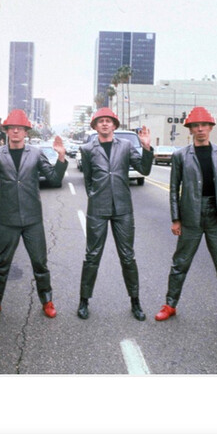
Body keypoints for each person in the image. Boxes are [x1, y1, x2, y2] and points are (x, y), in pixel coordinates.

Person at [155, 106, 217, 328]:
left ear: (211, 127)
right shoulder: (181, 156)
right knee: (180, 264)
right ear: (190, 129)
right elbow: (174, 190)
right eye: (196, 126)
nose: (200, 129)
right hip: (190, 215)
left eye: (204, 125)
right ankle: (170, 305)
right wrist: (176, 219)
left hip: (215, 216)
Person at [0, 110, 68, 320]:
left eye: (20, 128)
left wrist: (61, 157)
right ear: (7, 131)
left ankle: (47, 301)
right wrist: (1, 205)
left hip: (32, 219)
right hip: (8, 220)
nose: (16, 131)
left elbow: (54, 179)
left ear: (26, 132)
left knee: (40, 263)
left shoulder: (36, 154)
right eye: (12, 128)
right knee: (2, 263)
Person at [77, 108, 153, 321]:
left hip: (123, 208)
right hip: (98, 209)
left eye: (108, 121)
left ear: (114, 125)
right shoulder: (87, 149)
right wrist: (95, 197)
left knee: (127, 256)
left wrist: (146, 147)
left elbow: (144, 169)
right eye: (100, 121)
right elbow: (88, 180)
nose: (104, 124)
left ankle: (135, 302)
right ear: (95, 126)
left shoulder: (126, 146)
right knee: (92, 256)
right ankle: (84, 300)